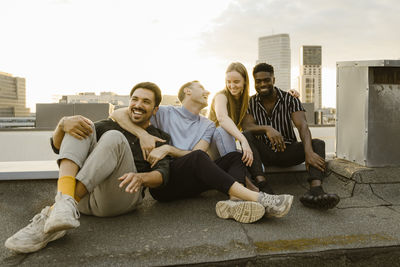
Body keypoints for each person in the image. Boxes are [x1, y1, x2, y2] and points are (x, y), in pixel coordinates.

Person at [5, 82, 171, 253]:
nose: (138, 105)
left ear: (155, 109)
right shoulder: (110, 124)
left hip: (120, 197)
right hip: (84, 200)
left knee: (114, 138)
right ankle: (61, 209)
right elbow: (58, 147)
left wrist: (141, 178)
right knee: (80, 124)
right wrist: (62, 125)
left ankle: (57, 208)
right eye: (135, 99)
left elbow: (162, 175)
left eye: (145, 101)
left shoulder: (158, 137)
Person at [111, 80, 294, 224]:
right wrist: (143, 134)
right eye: (202, 88)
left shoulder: (207, 124)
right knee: (198, 158)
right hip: (165, 183)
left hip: (193, 177)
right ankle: (258, 198)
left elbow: (197, 153)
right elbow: (118, 114)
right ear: (188, 92)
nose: (207, 92)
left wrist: (168, 148)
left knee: (235, 157)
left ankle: (235, 201)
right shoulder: (164, 112)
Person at [242, 63, 340, 209]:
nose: (263, 84)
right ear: (254, 82)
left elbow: (303, 125)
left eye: (266, 80)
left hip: (287, 151)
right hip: (264, 155)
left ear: (273, 80)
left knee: (317, 144)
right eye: (258, 81)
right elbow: (247, 126)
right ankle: (262, 186)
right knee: (247, 136)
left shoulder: (290, 99)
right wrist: (267, 129)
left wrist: (308, 152)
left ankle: (315, 191)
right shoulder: (250, 102)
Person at [208, 62, 299, 191]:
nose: (232, 86)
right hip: (213, 146)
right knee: (222, 131)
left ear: (245, 81)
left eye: (236, 81)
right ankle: (246, 188)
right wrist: (244, 141)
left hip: (228, 150)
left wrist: (290, 93)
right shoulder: (221, 96)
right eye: (228, 81)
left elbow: (270, 96)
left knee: (256, 165)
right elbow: (222, 118)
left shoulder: (247, 101)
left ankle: (251, 181)